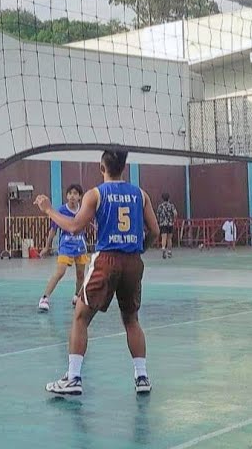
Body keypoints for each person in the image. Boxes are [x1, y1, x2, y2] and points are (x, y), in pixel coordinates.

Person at [37, 149, 159, 396]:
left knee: (80, 317)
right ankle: (142, 377)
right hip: (133, 261)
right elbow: (154, 232)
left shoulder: (95, 194)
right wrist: (137, 251)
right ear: (124, 168)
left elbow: (73, 227)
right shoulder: (141, 195)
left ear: (101, 167)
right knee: (131, 320)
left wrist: (49, 210)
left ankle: (73, 378)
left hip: (107, 260)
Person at [38, 185, 88, 311]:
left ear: (80, 197)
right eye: (70, 193)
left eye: (75, 193)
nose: (72, 196)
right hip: (66, 246)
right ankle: (44, 298)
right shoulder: (60, 211)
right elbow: (53, 230)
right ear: (66, 196)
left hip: (80, 246)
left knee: (81, 275)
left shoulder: (83, 211)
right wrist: (47, 247)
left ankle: (77, 297)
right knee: (60, 272)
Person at [155, 192, 177, 259]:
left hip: (163, 224)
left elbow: (157, 215)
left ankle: (163, 248)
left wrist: (159, 220)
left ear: (162, 198)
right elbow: (175, 213)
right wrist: (174, 219)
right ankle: (169, 252)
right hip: (170, 223)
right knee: (169, 238)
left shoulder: (160, 206)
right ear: (168, 198)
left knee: (163, 237)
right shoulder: (171, 206)